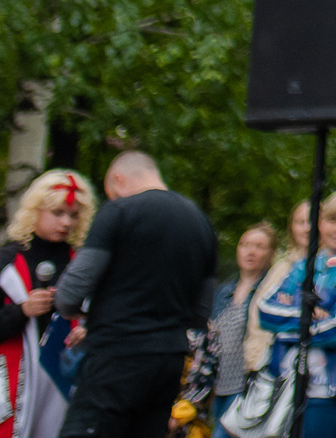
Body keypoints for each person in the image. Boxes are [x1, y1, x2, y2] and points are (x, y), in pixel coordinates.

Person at [48, 151, 216, 438]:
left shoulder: (119, 211)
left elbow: (72, 289)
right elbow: (202, 311)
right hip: (169, 361)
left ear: (118, 179)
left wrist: (79, 313)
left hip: (116, 355)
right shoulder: (201, 223)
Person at [255, 189, 336, 438]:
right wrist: (310, 315)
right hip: (282, 384)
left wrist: (285, 328)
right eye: (332, 220)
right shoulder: (303, 266)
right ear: (319, 223)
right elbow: (264, 311)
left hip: (328, 392)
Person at [3, 169, 97, 438]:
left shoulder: (85, 264)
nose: (66, 222)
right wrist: (22, 310)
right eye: (57, 213)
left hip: (65, 377)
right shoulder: (6, 261)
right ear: (35, 210)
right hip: (12, 380)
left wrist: (90, 330)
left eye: (73, 215)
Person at [201, 223, 277, 429]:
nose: (250, 251)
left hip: (247, 384)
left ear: (271, 253)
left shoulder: (271, 290)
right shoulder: (223, 291)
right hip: (217, 385)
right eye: (245, 245)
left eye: (259, 246)